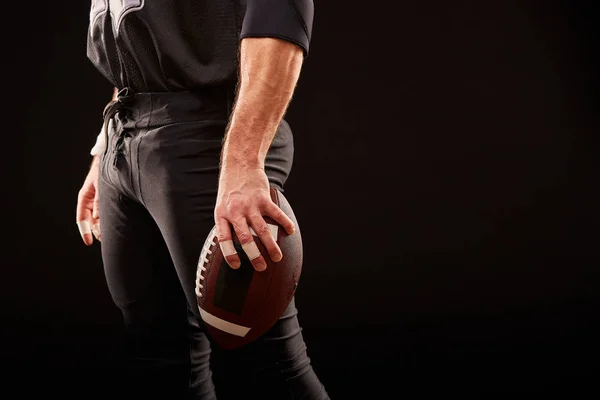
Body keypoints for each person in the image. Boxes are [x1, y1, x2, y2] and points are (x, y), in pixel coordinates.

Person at [75, 1, 329, 399]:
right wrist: (103, 149)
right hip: (124, 135)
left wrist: (244, 161)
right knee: (158, 362)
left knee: (266, 367)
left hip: (211, 136)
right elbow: (136, 34)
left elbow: (281, 8)